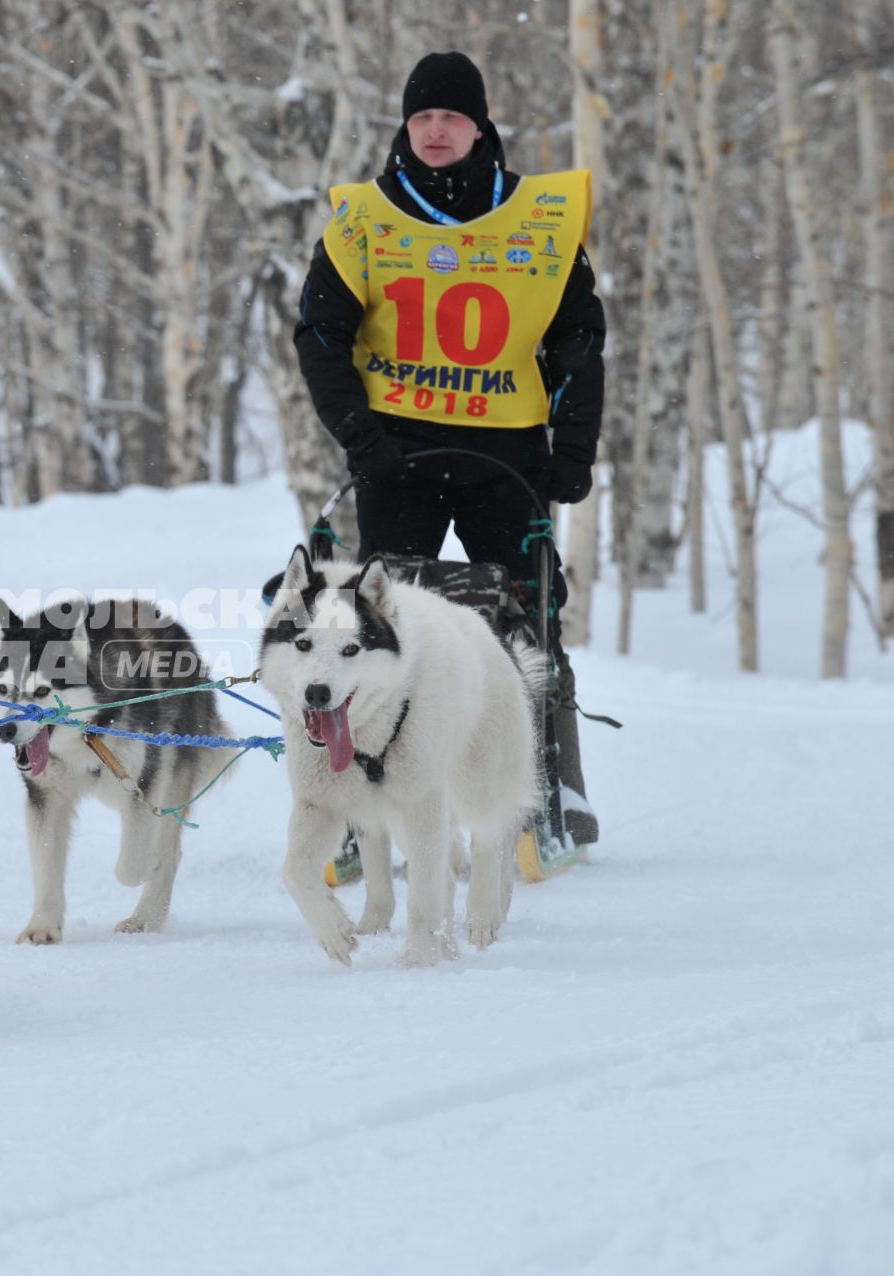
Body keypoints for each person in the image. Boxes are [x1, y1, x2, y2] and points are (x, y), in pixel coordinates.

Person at [291, 51, 604, 846]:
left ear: (479, 126)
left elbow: (577, 342)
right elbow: (321, 335)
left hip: (509, 462)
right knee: (380, 634)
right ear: (406, 125)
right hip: (398, 458)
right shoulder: (363, 221)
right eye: (423, 117)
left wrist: (573, 449)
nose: (436, 131)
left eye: (452, 117)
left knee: (530, 625)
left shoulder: (539, 223)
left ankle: (546, 797)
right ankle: (364, 814)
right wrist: (360, 435)